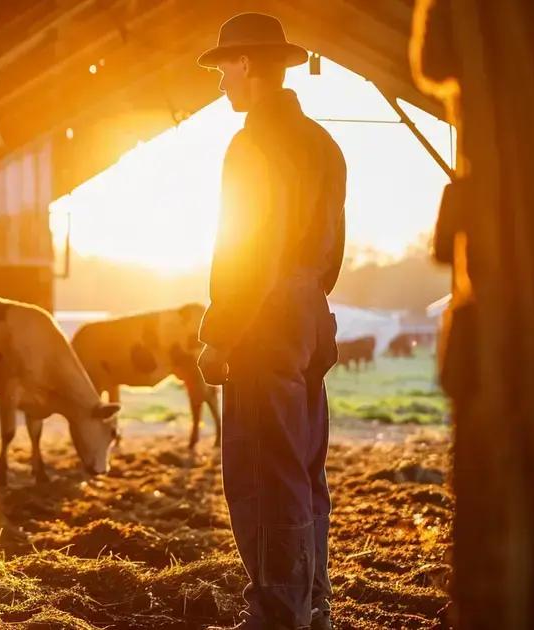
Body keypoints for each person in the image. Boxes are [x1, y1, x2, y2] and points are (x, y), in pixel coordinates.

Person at [195, 13, 347, 630]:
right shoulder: (321, 143)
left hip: (265, 316)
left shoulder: (253, 143)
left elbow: (248, 247)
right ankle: (313, 602)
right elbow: (335, 246)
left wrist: (219, 331)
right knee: (306, 465)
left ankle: (278, 612)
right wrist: (309, 298)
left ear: (250, 65)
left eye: (226, 67)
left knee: (263, 466)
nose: (222, 80)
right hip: (312, 311)